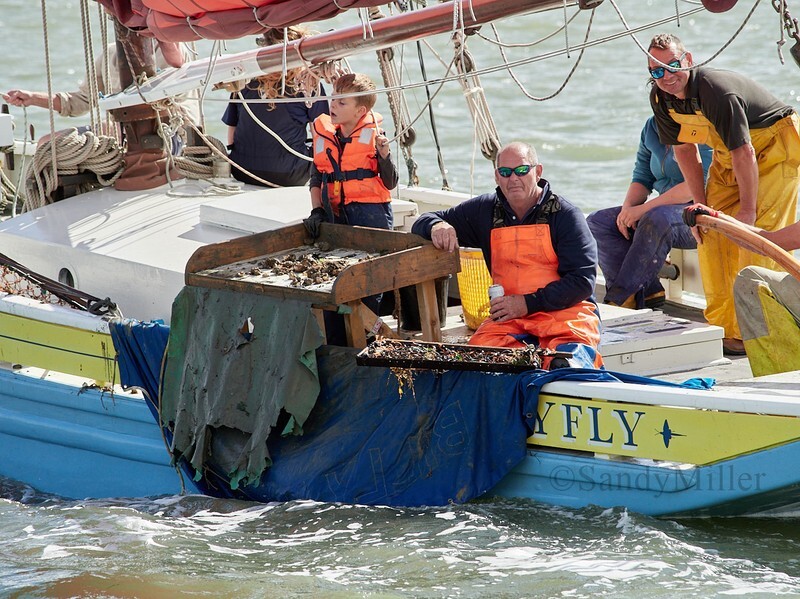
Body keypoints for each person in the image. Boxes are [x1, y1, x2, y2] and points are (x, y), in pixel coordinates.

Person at [646, 32, 800, 356]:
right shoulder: (661, 99)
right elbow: (685, 151)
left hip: (772, 151)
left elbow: (745, 151)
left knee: (755, 240)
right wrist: (699, 207)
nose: (667, 76)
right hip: (728, 158)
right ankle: (725, 330)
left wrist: (747, 213)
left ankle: (760, 335)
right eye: (657, 71)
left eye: (672, 65)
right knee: (710, 233)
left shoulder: (715, 90)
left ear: (688, 60)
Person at [411, 141, 602, 370]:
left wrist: (527, 303)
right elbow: (423, 220)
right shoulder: (484, 210)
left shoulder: (565, 215)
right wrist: (437, 225)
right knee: (480, 364)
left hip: (565, 314)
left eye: (522, 170)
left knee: (565, 364)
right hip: (509, 318)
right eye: (505, 172)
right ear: (496, 177)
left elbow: (583, 282)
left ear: (538, 172)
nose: (513, 178)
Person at [303, 72, 399, 344]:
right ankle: (337, 344)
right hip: (334, 216)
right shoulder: (325, 135)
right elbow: (317, 177)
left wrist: (384, 156)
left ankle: (367, 343)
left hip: (371, 217)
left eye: (342, 102)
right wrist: (317, 211)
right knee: (332, 281)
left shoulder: (375, 137)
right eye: (334, 98)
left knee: (369, 287)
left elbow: (390, 182)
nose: (333, 104)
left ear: (361, 111)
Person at [587, 116, 712, 309]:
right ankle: (648, 291)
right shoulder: (652, 126)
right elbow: (642, 176)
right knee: (599, 221)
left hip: (700, 215)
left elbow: (697, 184)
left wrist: (643, 210)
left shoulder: (702, 125)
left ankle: (620, 299)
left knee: (657, 217)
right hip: (662, 209)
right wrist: (628, 210)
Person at [221, 27, 329, 187]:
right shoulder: (307, 84)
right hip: (290, 175)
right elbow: (321, 134)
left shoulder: (245, 81)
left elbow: (232, 132)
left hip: (242, 170)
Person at [3, 41, 200, 127]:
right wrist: (32, 98)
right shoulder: (111, 53)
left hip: (174, 134)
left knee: (108, 129)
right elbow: (82, 101)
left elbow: (172, 97)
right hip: (123, 134)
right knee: (48, 144)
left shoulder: (173, 49)